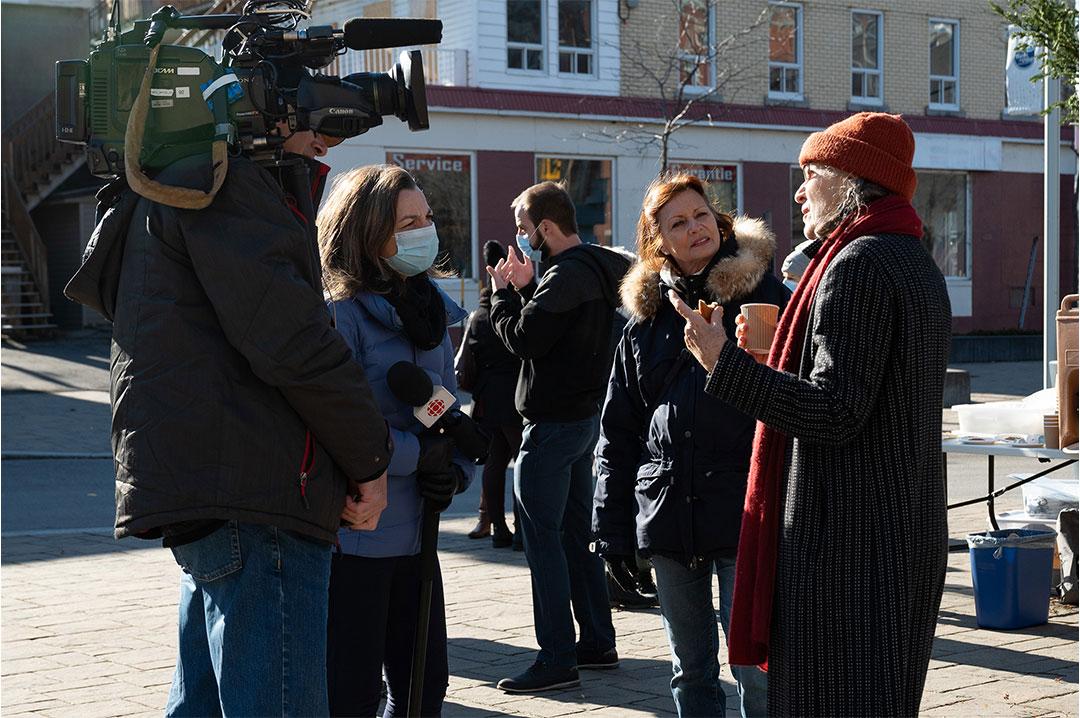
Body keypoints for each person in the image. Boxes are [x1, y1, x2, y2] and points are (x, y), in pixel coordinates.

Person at [70, 121, 392, 716]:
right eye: (317, 123)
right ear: (271, 119)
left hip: (217, 491)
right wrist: (371, 460)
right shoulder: (224, 187)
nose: (329, 140)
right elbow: (294, 344)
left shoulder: (168, 185)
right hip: (258, 493)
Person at [670, 112, 951, 715]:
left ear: (853, 181)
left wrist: (726, 365)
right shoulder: (910, 256)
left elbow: (837, 411)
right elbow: (872, 393)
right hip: (892, 536)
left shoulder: (858, 265)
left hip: (850, 549)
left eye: (812, 173)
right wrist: (775, 362)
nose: (799, 191)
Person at [593, 173, 788, 717]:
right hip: (668, 515)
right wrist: (612, 533)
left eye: (700, 214)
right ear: (659, 241)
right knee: (690, 672)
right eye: (677, 222)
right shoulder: (644, 322)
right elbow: (618, 432)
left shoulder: (768, 298)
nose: (694, 228)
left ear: (719, 220)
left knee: (759, 671)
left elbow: (799, 400)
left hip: (746, 513)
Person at [317, 164, 472, 717]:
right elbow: (341, 418)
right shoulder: (341, 312)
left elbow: (447, 405)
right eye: (409, 221)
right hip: (356, 542)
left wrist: (454, 465)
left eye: (426, 217)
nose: (425, 230)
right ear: (368, 232)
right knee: (352, 696)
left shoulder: (430, 308)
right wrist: (415, 455)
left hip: (419, 539)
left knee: (425, 690)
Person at [486, 181, 631, 693]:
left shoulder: (564, 277)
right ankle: (597, 640)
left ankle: (556, 656)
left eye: (525, 231)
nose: (521, 241)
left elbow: (524, 339)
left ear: (546, 229)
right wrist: (528, 289)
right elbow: (558, 335)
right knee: (574, 534)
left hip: (550, 428)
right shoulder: (596, 267)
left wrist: (503, 296)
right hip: (584, 418)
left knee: (541, 540)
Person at [463, 240, 525, 548]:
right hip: (514, 396)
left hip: (487, 400)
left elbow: (469, 361)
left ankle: (497, 526)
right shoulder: (513, 309)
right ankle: (522, 529)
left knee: (494, 462)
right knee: (522, 462)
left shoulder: (478, 316)